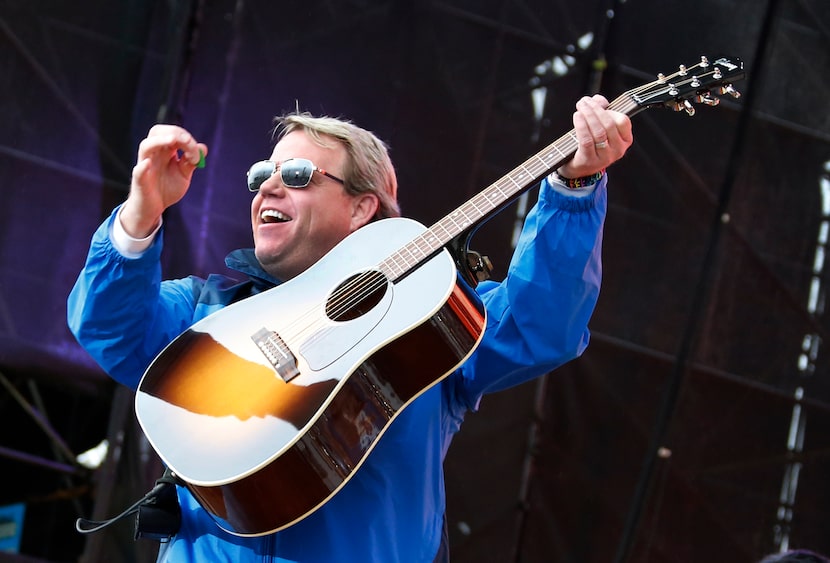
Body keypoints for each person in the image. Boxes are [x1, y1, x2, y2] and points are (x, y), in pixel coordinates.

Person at [67, 94, 632, 562]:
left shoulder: (431, 321)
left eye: (296, 174)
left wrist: (572, 193)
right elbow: (108, 327)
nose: (268, 186)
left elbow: (540, 329)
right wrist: (141, 213)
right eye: (261, 174)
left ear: (363, 208)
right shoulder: (207, 309)